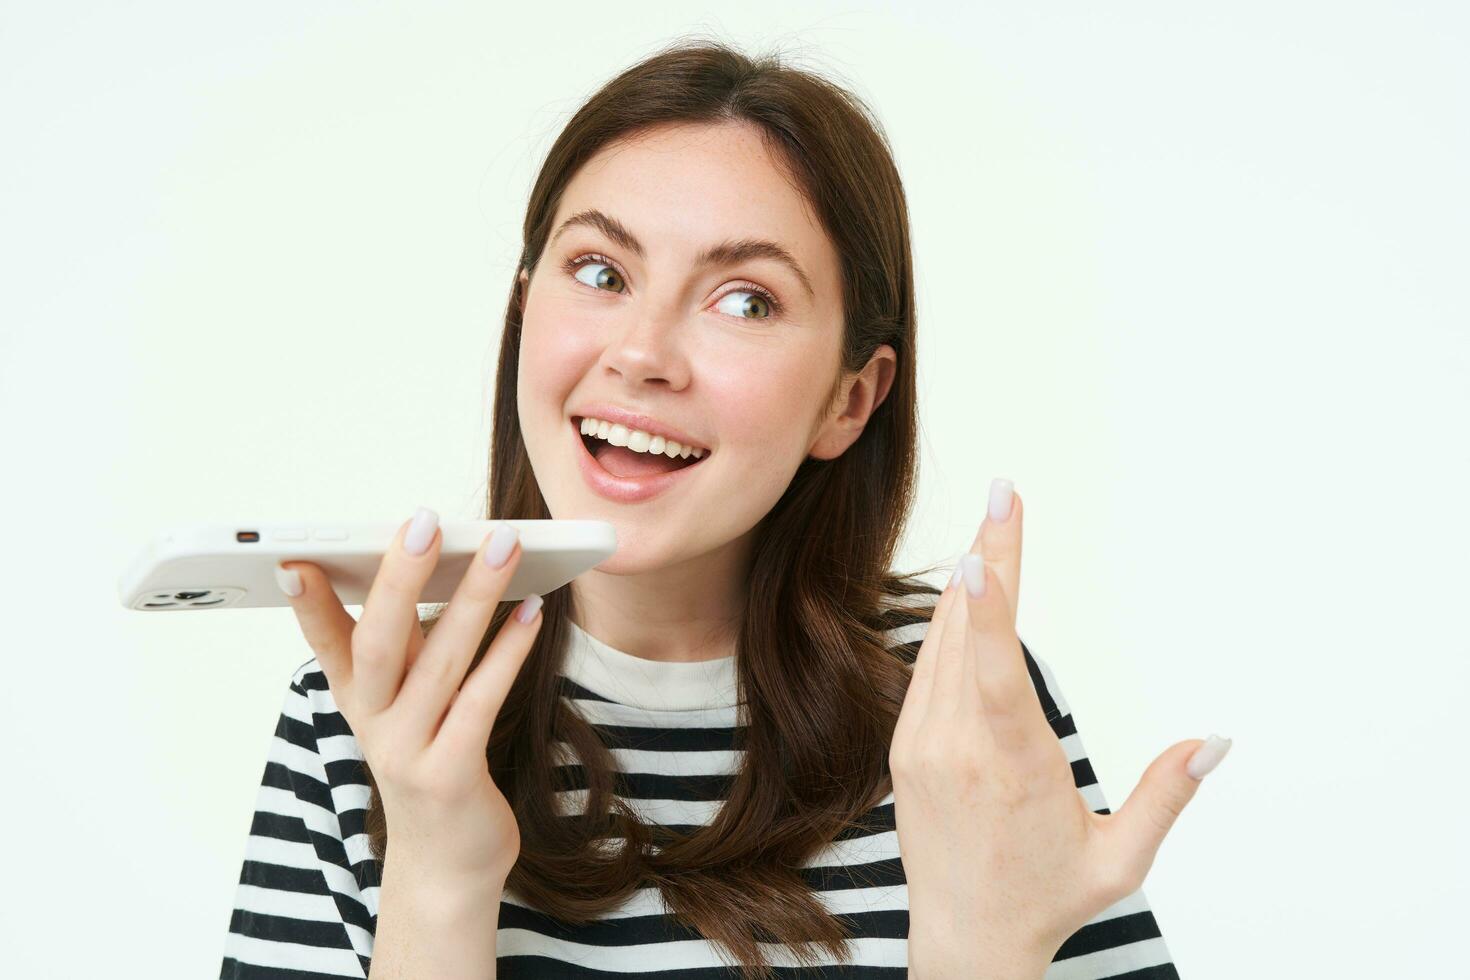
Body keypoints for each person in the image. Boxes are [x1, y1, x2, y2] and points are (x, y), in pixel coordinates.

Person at [221, 36, 1228, 979]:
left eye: (746, 299)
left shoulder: (959, 704)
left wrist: (982, 947)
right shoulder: (369, 711)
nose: (643, 354)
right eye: (601, 271)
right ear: (525, 307)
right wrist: (438, 880)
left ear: (851, 398)